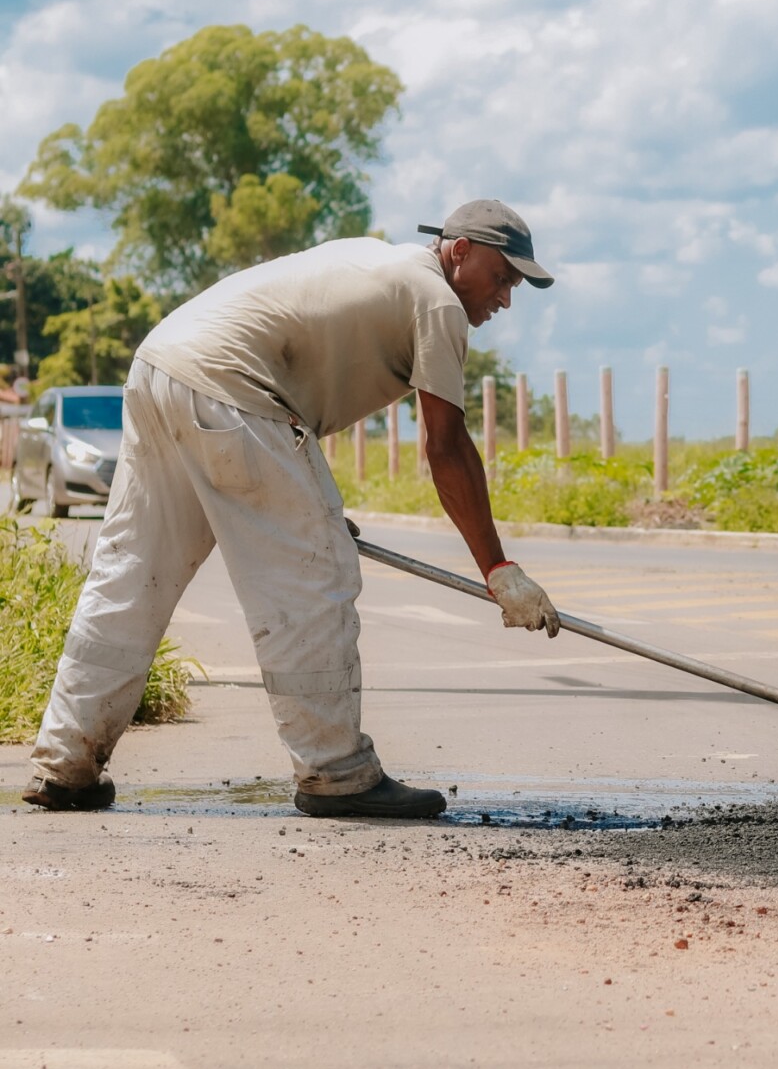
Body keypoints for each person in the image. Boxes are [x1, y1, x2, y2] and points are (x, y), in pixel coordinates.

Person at [23, 201, 565, 819]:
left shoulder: (377, 261)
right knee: (314, 576)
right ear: (460, 250)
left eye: (517, 285)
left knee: (130, 578)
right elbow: (446, 446)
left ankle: (66, 767)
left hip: (160, 367)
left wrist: (307, 507)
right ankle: (337, 774)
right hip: (229, 386)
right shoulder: (435, 300)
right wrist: (499, 569)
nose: (506, 298)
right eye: (502, 277)